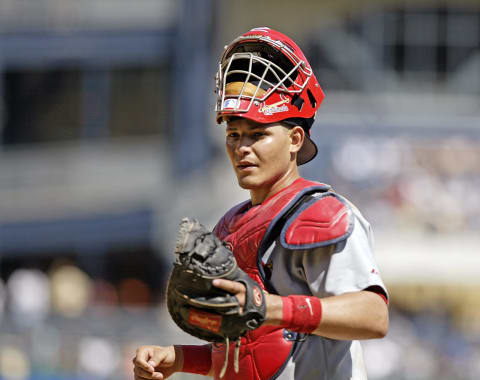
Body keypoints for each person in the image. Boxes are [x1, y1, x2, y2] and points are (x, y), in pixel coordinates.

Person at [133, 27, 389, 380]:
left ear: (295, 139)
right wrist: (177, 358)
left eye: (258, 134)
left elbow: (373, 316)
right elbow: (252, 351)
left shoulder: (321, 213)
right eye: (233, 135)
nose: (242, 148)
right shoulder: (230, 225)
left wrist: (270, 307)